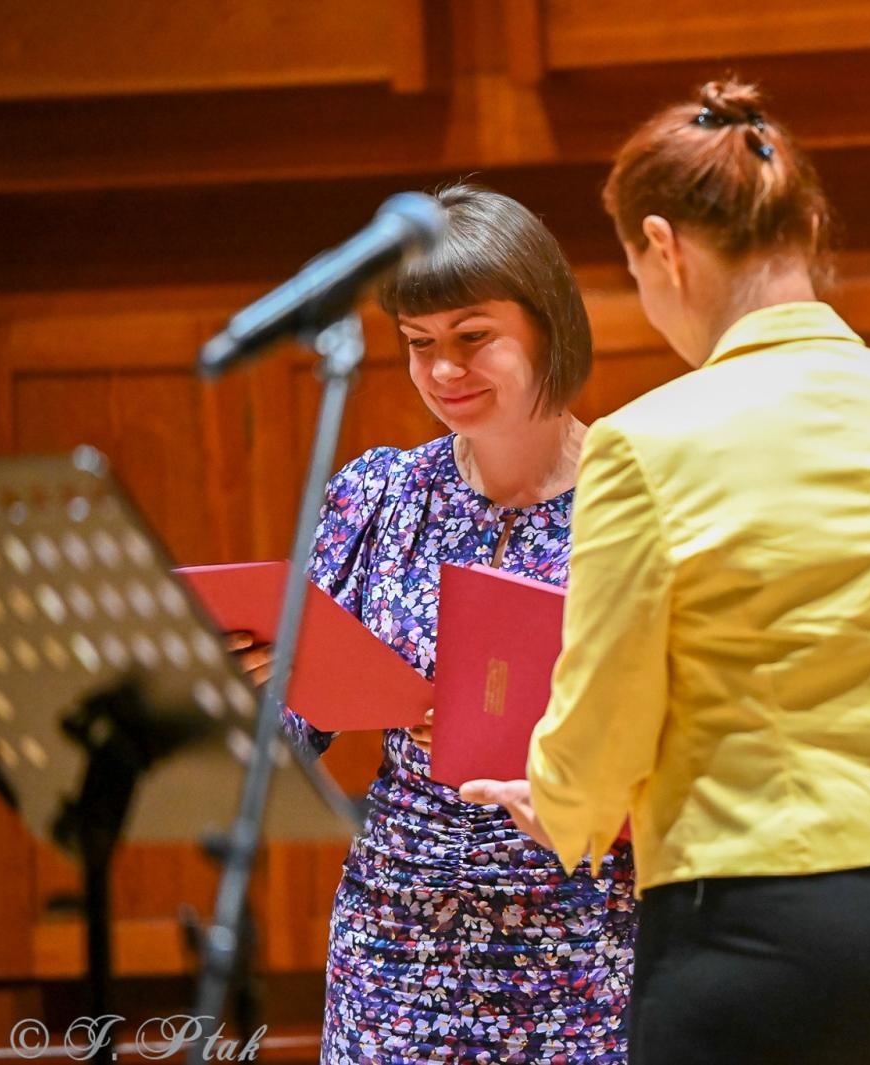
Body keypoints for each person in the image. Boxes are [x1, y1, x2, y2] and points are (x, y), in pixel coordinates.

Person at [462, 82, 870, 1065]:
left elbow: (608, 713)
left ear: (663, 247)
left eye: (634, 270)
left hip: (766, 919)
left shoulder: (645, 442)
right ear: (807, 229)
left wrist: (562, 802)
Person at [270, 184, 635, 1063]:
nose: (442, 371)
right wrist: (251, 681)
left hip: (580, 944)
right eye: (419, 343)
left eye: (472, 337)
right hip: (395, 944)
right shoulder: (382, 494)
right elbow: (290, 735)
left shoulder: (639, 498)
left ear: (548, 325)